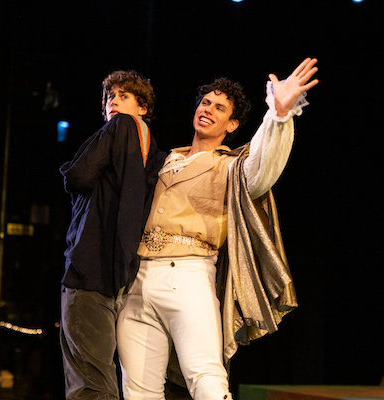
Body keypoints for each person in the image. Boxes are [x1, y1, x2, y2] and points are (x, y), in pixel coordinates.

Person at [116, 58, 319, 400]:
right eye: (205, 102)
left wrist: (279, 116)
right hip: (138, 280)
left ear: (232, 124)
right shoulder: (163, 160)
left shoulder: (231, 168)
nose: (207, 109)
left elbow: (262, 168)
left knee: (207, 378)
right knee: (137, 391)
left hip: (189, 276)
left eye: (219, 107)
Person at [59, 70, 166, 400]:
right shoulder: (153, 152)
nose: (114, 102)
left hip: (88, 271)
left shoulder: (117, 127)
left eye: (124, 96)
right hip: (120, 276)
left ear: (143, 106)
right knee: (103, 371)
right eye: (110, 97)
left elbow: (77, 176)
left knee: (88, 378)